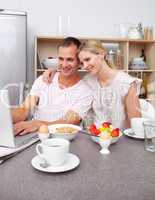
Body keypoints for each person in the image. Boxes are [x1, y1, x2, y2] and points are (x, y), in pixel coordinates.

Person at [43, 39, 141, 129]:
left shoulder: (127, 84)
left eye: (87, 59)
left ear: (102, 54)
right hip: (93, 139)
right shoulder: (88, 80)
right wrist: (53, 70)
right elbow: (69, 74)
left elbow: (137, 127)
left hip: (119, 142)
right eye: (82, 63)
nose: (85, 66)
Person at [12, 37, 93, 135]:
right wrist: (6, 118)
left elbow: (68, 122)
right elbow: (24, 109)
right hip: (34, 136)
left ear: (80, 62)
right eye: (61, 59)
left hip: (64, 139)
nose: (64, 64)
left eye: (70, 60)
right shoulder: (44, 79)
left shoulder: (85, 91)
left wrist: (38, 124)